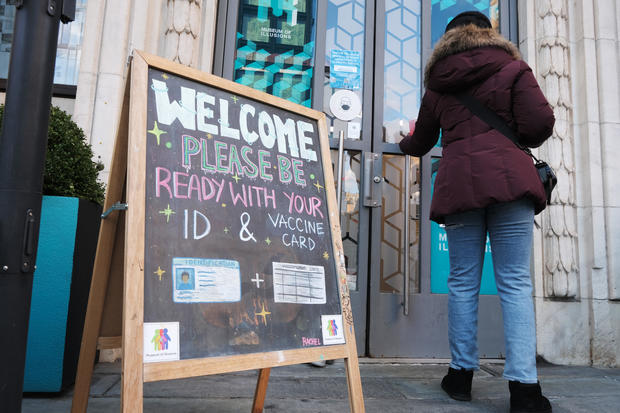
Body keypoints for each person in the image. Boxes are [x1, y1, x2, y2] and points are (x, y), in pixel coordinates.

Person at [399, 11, 555, 413]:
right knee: (516, 283)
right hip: (510, 184)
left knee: (463, 281)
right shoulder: (513, 68)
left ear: (449, 40)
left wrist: (403, 143)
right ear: (488, 34)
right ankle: (524, 389)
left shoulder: (439, 83)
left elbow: (422, 142)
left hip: (460, 186)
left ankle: (460, 376)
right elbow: (538, 125)